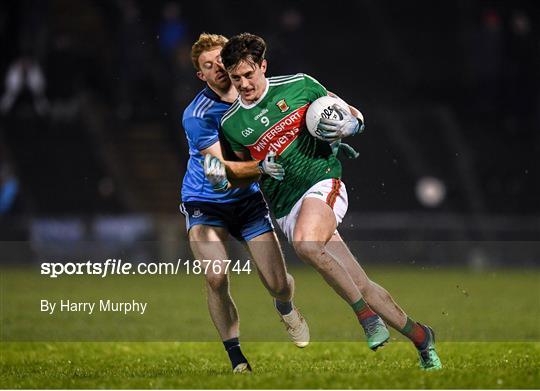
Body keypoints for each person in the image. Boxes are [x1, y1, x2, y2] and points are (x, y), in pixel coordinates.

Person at [208, 33, 442, 370]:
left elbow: (353, 115)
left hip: (324, 182)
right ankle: (422, 337)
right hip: (287, 208)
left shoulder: (301, 85)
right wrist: (257, 167)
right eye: (235, 78)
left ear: (263, 66)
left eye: (249, 74)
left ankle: (365, 318)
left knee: (306, 244)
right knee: (360, 282)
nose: (243, 84)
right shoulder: (232, 124)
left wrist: (351, 126)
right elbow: (233, 173)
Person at [180, 33, 309, 373]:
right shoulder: (198, 115)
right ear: (201, 75)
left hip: (248, 201)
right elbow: (219, 171)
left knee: (279, 285)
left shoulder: (254, 93)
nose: (218, 69)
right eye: (208, 66)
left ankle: (286, 308)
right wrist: (263, 166)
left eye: (221, 61)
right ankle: (237, 358)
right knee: (216, 276)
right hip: (204, 201)